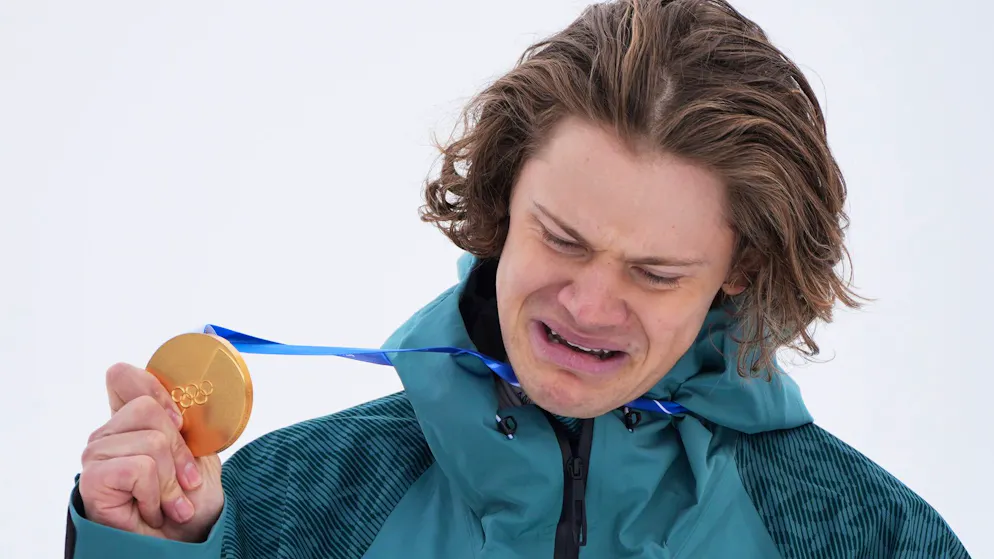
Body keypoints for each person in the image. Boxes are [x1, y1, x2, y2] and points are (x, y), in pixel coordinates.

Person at [63, 1, 970, 557]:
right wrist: (149, 552)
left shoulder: (865, 536)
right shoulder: (296, 503)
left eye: (655, 272)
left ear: (743, 270)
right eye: (563, 238)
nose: (586, 304)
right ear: (503, 200)